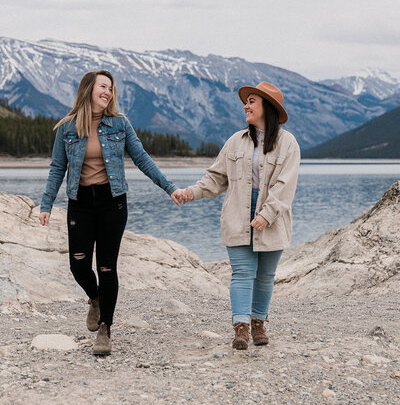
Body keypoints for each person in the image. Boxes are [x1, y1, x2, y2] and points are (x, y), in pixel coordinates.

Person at [39, 70, 184, 355]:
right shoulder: (67, 128)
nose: (107, 92)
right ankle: (94, 298)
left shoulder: (120, 124)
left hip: (112, 202)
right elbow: (57, 168)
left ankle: (105, 328)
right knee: (78, 266)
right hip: (79, 203)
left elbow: (141, 158)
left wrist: (170, 187)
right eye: (102, 86)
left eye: (111, 88)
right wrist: (46, 204)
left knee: (107, 267)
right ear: (88, 90)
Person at [181, 81, 300, 349]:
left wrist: (267, 214)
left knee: (266, 276)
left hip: (273, 216)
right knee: (242, 272)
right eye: (246, 102)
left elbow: (285, 185)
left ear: (267, 107)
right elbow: (215, 178)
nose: (245, 106)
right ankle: (241, 327)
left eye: (252, 101)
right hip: (238, 214)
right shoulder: (235, 141)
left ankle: (258, 323)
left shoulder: (287, 143)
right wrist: (190, 192)